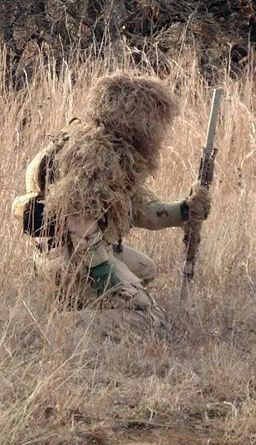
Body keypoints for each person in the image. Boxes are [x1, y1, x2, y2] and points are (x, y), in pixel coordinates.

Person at [12, 72, 211, 328]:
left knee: (144, 269)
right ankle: (68, 325)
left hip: (64, 254)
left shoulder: (104, 145)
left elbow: (138, 212)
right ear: (136, 118)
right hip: (70, 258)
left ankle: (82, 302)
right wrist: (106, 279)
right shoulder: (97, 156)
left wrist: (184, 211)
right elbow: (79, 222)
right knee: (149, 318)